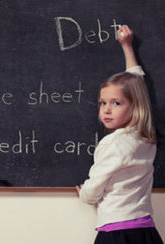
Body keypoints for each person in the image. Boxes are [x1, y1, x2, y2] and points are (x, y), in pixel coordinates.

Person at [76, 25, 164, 244]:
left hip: (116, 233)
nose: (106, 109)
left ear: (134, 107)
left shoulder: (113, 143)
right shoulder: (145, 136)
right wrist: (127, 47)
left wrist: (84, 193)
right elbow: (138, 84)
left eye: (116, 103)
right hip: (145, 231)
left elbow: (93, 189)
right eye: (102, 103)